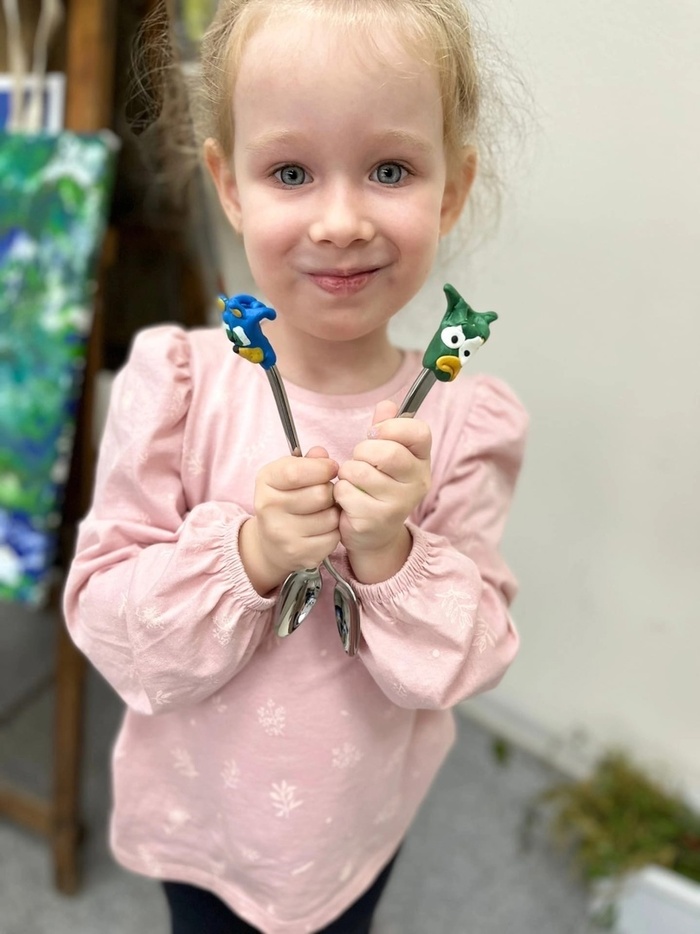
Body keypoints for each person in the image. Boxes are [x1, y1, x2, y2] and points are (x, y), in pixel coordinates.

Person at [63, 1, 529, 932]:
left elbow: (469, 658)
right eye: (290, 172)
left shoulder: (465, 421)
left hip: (356, 833)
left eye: (389, 170)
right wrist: (251, 554)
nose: (343, 221)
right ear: (229, 186)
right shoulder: (179, 383)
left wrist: (392, 554)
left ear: (451, 190)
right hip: (201, 820)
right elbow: (105, 618)